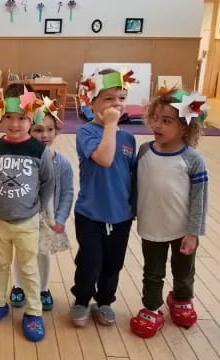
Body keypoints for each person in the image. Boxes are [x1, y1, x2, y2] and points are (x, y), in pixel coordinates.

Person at [0, 84, 54, 342]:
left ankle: (33, 312)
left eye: (22, 118)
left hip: (27, 221)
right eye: (8, 117)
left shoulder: (39, 150)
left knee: (28, 267)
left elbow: (48, 182)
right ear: (0, 116)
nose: (15, 123)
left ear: (32, 118)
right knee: (0, 264)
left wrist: (40, 209)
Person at [130, 89, 208, 338]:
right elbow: (134, 185)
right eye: (156, 118)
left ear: (185, 127)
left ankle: (181, 299)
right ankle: (152, 307)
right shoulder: (144, 152)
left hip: (182, 230)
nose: (157, 125)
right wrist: (129, 211)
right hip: (152, 227)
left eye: (166, 121)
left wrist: (193, 233)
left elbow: (199, 201)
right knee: (152, 272)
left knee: (184, 270)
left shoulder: (193, 160)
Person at [70, 69, 136, 327]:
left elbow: (131, 176)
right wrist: (110, 125)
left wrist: (134, 208)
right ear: (91, 102)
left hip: (121, 215)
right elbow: (105, 159)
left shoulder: (129, 137)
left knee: (113, 264)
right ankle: (82, 300)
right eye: (107, 99)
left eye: (120, 97)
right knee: (90, 261)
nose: (116, 104)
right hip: (90, 214)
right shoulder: (86, 133)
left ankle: (105, 301)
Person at [10, 97, 74, 311]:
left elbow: (67, 192)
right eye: (38, 129)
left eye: (49, 129)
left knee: (43, 254)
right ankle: (18, 286)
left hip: (48, 219)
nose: (44, 135)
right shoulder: (21, 158)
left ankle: (44, 289)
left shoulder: (62, 163)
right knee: (22, 253)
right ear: (29, 129)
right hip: (23, 216)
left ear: (56, 132)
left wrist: (61, 218)